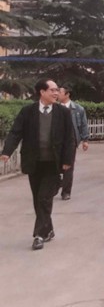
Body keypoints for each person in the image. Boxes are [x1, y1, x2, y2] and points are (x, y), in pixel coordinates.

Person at [1, 79, 75, 250]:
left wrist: (67, 161)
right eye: (52, 90)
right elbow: (15, 132)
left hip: (53, 163)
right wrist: (7, 151)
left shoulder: (63, 113)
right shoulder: (28, 112)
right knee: (38, 199)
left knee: (43, 198)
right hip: (34, 162)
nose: (56, 93)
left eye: (57, 90)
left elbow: (69, 139)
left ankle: (39, 235)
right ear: (42, 92)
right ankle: (48, 229)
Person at [57, 85, 89, 201]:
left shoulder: (78, 109)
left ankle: (66, 192)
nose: (57, 94)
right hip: (56, 142)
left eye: (60, 92)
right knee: (55, 165)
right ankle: (57, 182)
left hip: (71, 141)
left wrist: (85, 140)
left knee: (68, 167)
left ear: (67, 94)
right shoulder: (54, 108)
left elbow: (84, 125)